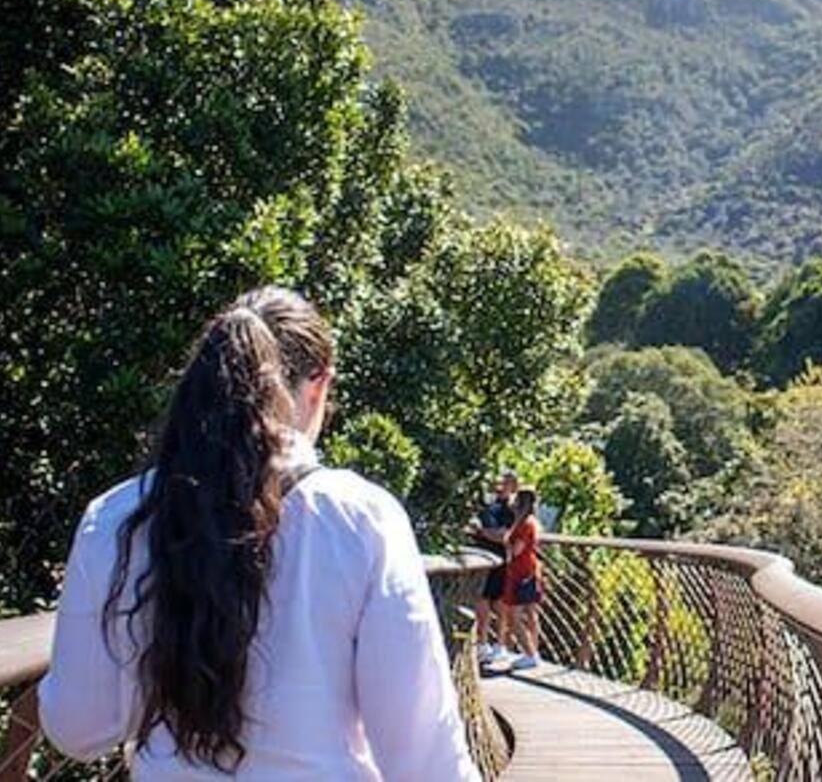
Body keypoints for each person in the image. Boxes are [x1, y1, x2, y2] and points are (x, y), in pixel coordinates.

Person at [36, 287, 479, 779]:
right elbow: (423, 753)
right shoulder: (361, 519)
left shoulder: (115, 519)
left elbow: (77, 729)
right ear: (318, 386)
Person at [466, 470, 518, 664]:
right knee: (483, 599)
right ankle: (482, 643)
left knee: (497, 602)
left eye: (504, 483)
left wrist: (483, 532)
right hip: (482, 558)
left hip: (501, 559)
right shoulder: (488, 505)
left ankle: (499, 644)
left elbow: (503, 536)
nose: (499, 486)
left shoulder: (512, 510)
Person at [501, 489, 543, 672]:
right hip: (529, 570)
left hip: (521, 572)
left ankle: (529, 653)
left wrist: (505, 541)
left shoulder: (525, 525)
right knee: (531, 613)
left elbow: (517, 549)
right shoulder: (531, 523)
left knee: (514, 615)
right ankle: (533, 651)